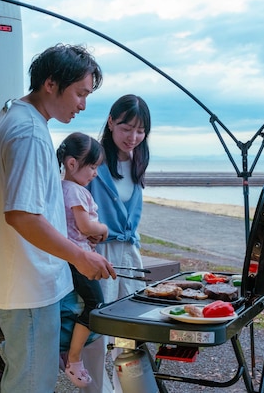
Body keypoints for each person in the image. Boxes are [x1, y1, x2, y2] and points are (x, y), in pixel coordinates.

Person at [0, 43, 116, 393]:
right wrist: (80, 256)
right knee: (32, 384)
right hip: (28, 285)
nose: (83, 104)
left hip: (25, 282)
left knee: (27, 371)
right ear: (51, 84)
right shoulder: (30, 132)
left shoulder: (18, 116)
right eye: (80, 93)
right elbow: (21, 215)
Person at [86, 94, 151, 392]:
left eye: (140, 131)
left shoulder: (139, 159)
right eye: (127, 128)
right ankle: (96, 388)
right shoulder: (93, 158)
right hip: (99, 252)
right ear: (111, 122)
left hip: (129, 254)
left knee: (130, 326)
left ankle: (128, 386)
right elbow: (71, 201)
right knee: (98, 326)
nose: (133, 137)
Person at [56, 132, 108, 388]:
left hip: (69, 257)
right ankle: (73, 358)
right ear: (72, 163)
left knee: (78, 306)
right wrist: (103, 229)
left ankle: (69, 353)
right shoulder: (75, 190)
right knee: (95, 305)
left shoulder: (60, 187)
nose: (95, 174)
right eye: (93, 167)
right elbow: (85, 226)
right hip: (77, 261)